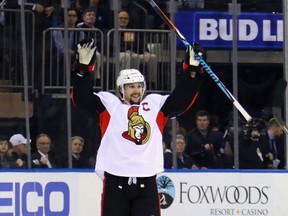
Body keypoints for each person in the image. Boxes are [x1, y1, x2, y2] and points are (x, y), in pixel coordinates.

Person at [71, 38, 204, 215]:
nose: (136, 90)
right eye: (131, 87)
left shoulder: (155, 105)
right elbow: (81, 99)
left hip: (146, 180)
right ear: (121, 89)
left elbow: (182, 99)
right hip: (115, 179)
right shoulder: (109, 105)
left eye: (139, 86)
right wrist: (82, 71)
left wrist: (191, 73)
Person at [117, 10, 158, 89]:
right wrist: (125, 50)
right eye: (121, 18)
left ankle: (152, 84)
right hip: (118, 53)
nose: (123, 20)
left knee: (152, 57)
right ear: (116, 19)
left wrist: (145, 51)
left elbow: (140, 43)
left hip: (134, 52)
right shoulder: (112, 31)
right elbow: (111, 45)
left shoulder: (131, 31)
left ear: (128, 20)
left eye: (125, 18)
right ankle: (127, 82)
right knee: (129, 56)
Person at [77, 7, 102, 81]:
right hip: (82, 50)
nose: (91, 16)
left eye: (93, 15)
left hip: (94, 50)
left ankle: (94, 79)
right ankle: (96, 78)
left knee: (97, 54)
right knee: (96, 55)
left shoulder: (97, 30)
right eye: (89, 15)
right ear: (83, 18)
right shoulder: (78, 28)